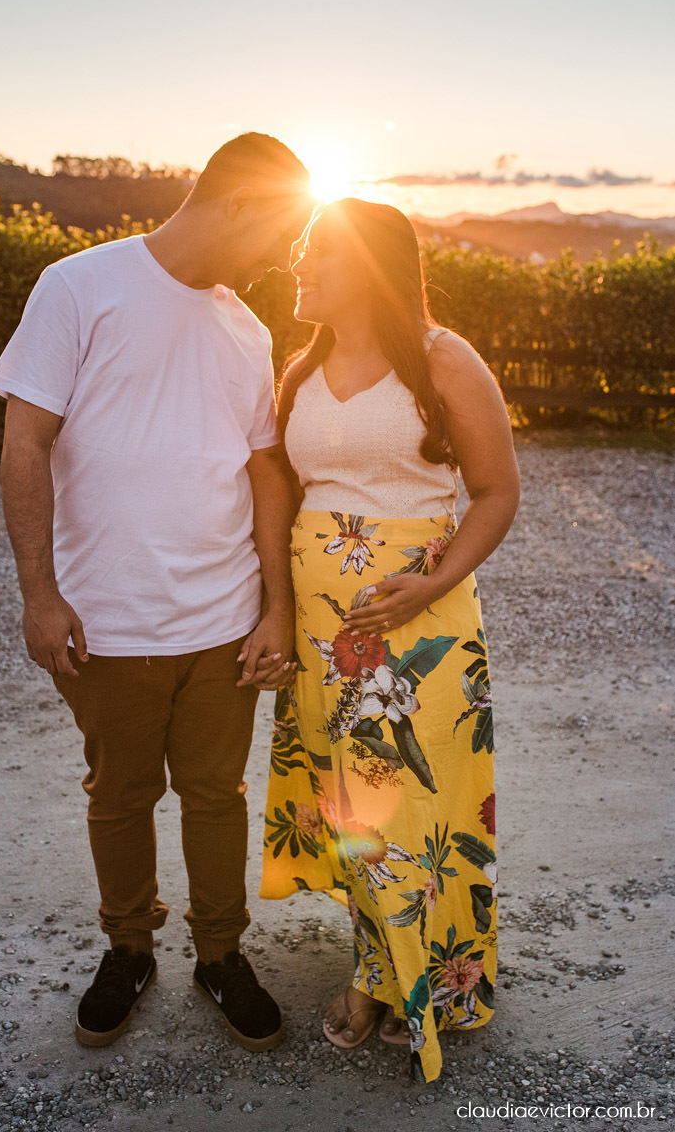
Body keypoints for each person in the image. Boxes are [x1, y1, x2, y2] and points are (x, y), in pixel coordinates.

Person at [0, 133, 312, 1052]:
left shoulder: (247, 330)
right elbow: (24, 443)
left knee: (215, 796)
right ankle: (128, 949)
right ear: (241, 205)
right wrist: (39, 594)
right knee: (121, 795)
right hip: (108, 619)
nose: (281, 260)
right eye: (280, 234)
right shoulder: (78, 285)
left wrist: (276, 607)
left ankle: (220, 955)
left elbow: (263, 472)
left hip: (223, 621)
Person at [260, 197, 520, 1082]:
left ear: (370, 267)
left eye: (317, 251)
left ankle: (409, 976)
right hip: (320, 625)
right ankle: (379, 963)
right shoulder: (300, 369)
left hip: (422, 624)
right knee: (352, 805)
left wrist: (433, 584)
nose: (297, 263)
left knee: (414, 801)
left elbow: (496, 490)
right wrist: (275, 609)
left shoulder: (443, 359)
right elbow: (280, 489)